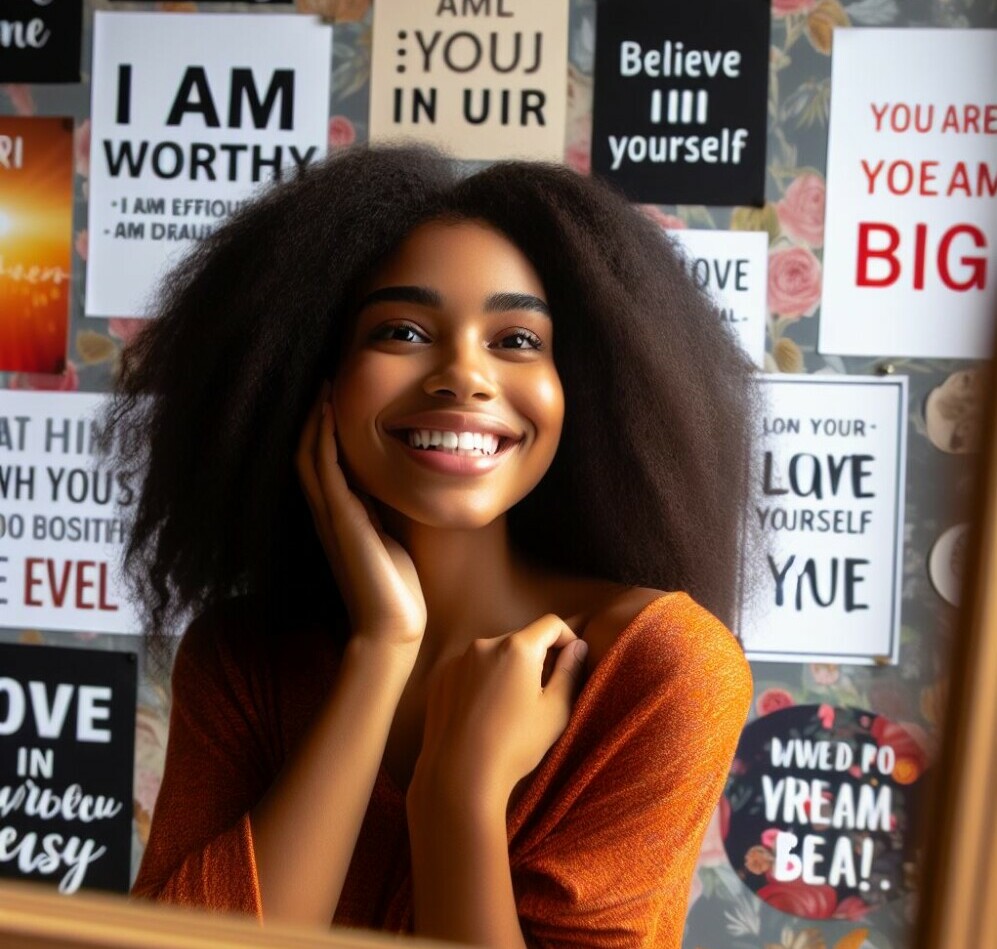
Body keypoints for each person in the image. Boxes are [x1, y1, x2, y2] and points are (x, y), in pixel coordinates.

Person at [108, 145, 757, 948]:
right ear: (313, 378)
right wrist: (381, 651)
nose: (463, 375)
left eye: (516, 339)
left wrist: (459, 797)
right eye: (403, 330)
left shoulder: (662, 668)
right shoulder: (243, 658)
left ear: (582, 387)